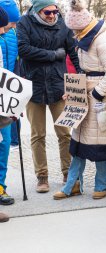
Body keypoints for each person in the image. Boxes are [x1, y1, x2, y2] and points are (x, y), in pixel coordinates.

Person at [53, 0, 106, 200]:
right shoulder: (85, 38)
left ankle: (102, 184)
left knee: (100, 144)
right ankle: (73, 184)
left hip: (100, 98)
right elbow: (84, 70)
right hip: (86, 94)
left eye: (76, 31)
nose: (74, 35)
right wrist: (73, 91)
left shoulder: (103, 41)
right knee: (78, 143)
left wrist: (98, 93)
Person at [17, 0, 81, 193]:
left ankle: (68, 174)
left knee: (64, 134)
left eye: (55, 11)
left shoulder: (63, 24)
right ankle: (42, 176)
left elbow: (73, 53)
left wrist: (80, 79)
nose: (53, 15)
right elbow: (23, 49)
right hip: (33, 86)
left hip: (58, 87)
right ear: (37, 11)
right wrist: (53, 54)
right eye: (48, 12)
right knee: (38, 135)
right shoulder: (24, 23)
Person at [0, 0, 21, 151]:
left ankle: (15, 140)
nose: (13, 26)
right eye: (11, 23)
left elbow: (17, 59)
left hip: (8, 83)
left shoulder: (12, 33)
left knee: (13, 117)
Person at [0, 6, 15, 206]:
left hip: (3, 103)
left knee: (5, 144)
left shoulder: (2, 42)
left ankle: (0, 186)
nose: (4, 31)